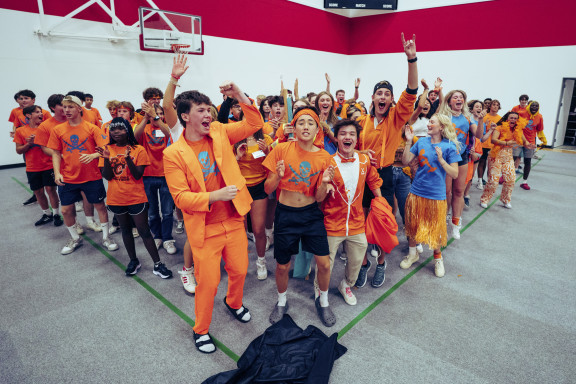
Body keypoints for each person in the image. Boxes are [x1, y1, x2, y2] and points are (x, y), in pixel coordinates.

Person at [163, 81, 263, 354]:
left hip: (233, 219)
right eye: (201, 111)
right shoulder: (173, 153)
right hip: (204, 227)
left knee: (241, 270)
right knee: (207, 284)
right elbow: (180, 198)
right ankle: (201, 329)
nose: (208, 115)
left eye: (209, 109)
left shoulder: (219, 131)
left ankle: (233, 302)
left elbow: (254, 123)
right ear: (185, 116)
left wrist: (240, 95)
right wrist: (214, 196)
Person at [263, 106, 335, 327]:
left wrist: (324, 183)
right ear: (294, 127)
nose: (305, 126)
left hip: (311, 215)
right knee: (283, 265)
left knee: (324, 264)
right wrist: (278, 177)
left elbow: (321, 197)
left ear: (317, 129)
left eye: (310, 123)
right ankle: (282, 301)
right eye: (301, 122)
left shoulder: (325, 157)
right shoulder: (282, 149)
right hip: (285, 215)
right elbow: (267, 189)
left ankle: (323, 301)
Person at [355, 33, 419, 277]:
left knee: (382, 220)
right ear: (372, 97)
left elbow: (411, 90)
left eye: (386, 94)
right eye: (379, 93)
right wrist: (360, 151)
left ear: (391, 99)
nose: (382, 97)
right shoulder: (361, 121)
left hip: (384, 174)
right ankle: (363, 264)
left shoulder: (396, 117)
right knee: (360, 220)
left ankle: (381, 263)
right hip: (362, 174)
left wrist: (411, 59)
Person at [97, 118, 173, 278]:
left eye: (120, 129)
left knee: (144, 230)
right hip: (116, 198)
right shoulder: (106, 149)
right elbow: (107, 176)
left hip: (136, 197)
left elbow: (138, 175)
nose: (116, 132)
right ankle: (133, 260)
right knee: (125, 230)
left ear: (128, 131)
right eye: (113, 129)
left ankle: (158, 264)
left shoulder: (138, 149)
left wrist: (127, 159)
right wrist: (105, 158)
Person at [319, 119, 382, 305]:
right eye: (343, 134)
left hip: (356, 223)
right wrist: (325, 184)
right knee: (325, 264)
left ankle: (346, 284)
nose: (347, 137)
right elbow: (318, 197)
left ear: (357, 139)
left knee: (356, 260)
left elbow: (374, 181)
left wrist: (381, 203)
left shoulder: (364, 160)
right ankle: (320, 289)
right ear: (336, 138)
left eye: (352, 134)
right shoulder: (327, 162)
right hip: (332, 223)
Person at [47, 95, 118, 254]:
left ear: (79, 108)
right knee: (65, 210)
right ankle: (75, 238)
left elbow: (105, 150)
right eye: (65, 107)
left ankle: (106, 237)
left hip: (91, 176)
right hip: (68, 177)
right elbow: (56, 153)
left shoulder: (92, 128)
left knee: (100, 206)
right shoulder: (58, 130)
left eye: (71, 107)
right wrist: (57, 172)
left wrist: (93, 156)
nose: (67, 110)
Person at [400, 114, 461, 277]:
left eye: (432, 122)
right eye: (429, 122)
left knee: (436, 229)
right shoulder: (421, 142)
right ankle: (413, 254)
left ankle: (438, 258)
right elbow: (405, 161)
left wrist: (441, 160)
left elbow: (455, 173)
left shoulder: (449, 147)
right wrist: (408, 140)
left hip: (436, 195)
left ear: (441, 127)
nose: (428, 124)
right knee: (412, 225)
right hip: (416, 191)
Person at [438, 90, 483, 239]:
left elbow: (479, 136)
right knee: (446, 192)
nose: (459, 99)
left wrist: (481, 120)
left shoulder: (467, 118)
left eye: (461, 97)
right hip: (446, 156)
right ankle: (441, 220)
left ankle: (455, 223)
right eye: (455, 97)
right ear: (450, 101)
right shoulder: (444, 116)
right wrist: (439, 92)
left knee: (459, 191)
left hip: (462, 156)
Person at [134, 102, 177, 255]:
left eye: (159, 112)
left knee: (167, 211)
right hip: (147, 175)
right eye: (153, 112)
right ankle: (157, 236)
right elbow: (134, 137)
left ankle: (167, 238)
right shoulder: (144, 128)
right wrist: (146, 118)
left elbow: (170, 134)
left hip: (166, 175)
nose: (155, 114)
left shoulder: (167, 127)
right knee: (152, 212)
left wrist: (156, 116)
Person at [234, 125, 273, 280]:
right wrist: (237, 156)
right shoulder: (235, 139)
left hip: (259, 187)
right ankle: (239, 263)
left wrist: (267, 152)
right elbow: (228, 167)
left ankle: (261, 261)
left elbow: (273, 164)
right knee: (239, 231)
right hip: (240, 188)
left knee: (258, 230)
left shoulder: (266, 139)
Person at [13, 105, 63, 227]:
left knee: (51, 190)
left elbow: (55, 146)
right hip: (32, 167)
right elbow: (19, 150)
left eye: (41, 112)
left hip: (48, 165)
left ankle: (56, 214)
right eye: (37, 112)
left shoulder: (46, 128)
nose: (41, 114)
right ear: (29, 115)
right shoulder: (20, 131)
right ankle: (47, 214)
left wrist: (41, 141)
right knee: (38, 192)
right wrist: (28, 144)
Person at [480, 112, 534, 208]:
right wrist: (506, 143)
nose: (513, 119)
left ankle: (505, 199)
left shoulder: (518, 130)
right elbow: (493, 140)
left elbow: (524, 141)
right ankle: (485, 199)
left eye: (515, 118)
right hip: (496, 155)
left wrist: (528, 144)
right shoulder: (499, 127)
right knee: (493, 180)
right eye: (511, 117)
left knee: (511, 179)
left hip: (508, 156)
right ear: (507, 118)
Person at [514, 101, 543, 190]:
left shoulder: (539, 117)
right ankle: (505, 177)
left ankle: (524, 182)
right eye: (533, 105)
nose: (534, 107)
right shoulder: (521, 113)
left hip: (530, 142)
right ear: (529, 106)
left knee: (528, 161)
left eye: (536, 106)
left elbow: (539, 130)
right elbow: (514, 125)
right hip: (518, 140)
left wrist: (543, 140)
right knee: (512, 158)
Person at [476, 99, 499, 189]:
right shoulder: (485, 116)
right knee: (482, 162)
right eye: (493, 104)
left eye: (497, 105)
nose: (495, 106)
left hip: (493, 145)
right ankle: (480, 181)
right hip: (483, 144)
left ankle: (490, 182)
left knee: (491, 165)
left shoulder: (499, 118)